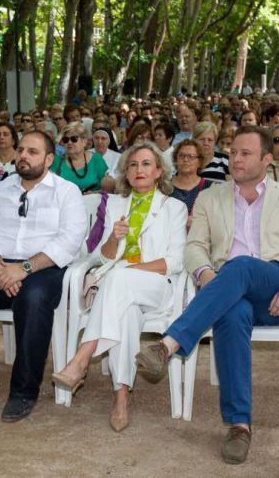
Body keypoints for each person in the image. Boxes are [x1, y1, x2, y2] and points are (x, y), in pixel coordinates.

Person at [134, 125, 279, 465]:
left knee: (239, 267)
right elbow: (194, 248)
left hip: (274, 288)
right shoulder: (210, 197)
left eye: (245, 153)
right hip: (225, 291)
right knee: (232, 312)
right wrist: (204, 273)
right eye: (233, 152)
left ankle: (169, 344)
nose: (235, 158)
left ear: (267, 159)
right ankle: (239, 425)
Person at [0, 131, 87, 422]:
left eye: (33, 152)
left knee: (34, 299)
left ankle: (24, 391)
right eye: (22, 150)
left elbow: (69, 241)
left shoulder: (66, 192)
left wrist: (23, 269)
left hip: (42, 267)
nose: (23, 156)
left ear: (49, 159)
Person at [52, 143, 187, 432]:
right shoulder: (113, 204)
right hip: (119, 289)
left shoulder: (174, 207)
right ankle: (121, 396)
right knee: (126, 315)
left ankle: (82, 358)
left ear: (159, 171)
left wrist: (130, 270)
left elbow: (174, 262)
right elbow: (102, 256)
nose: (139, 170)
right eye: (134, 165)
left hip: (157, 286)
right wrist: (113, 239)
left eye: (147, 164)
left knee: (118, 279)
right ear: (125, 172)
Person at [51, 121, 107, 193]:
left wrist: (94, 193)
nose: (69, 142)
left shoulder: (96, 159)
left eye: (74, 139)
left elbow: (107, 188)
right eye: (66, 140)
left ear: (84, 141)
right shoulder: (56, 161)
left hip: (93, 201)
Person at [170, 139, 214, 225]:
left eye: (191, 156)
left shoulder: (210, 188)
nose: (186, 160)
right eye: (181, 155)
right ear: (176, 160)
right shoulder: (164, 186)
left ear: (200, 162)